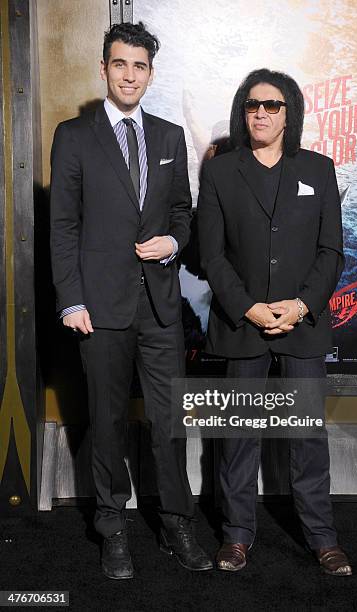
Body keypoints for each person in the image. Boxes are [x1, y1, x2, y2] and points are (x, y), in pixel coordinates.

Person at [50, 21, 212, 579]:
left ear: (150, 74)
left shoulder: (168, 136)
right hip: (98, 307)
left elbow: (182, 214)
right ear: (104, 69)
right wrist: (71, 299)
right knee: (107, 420)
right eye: (120, 64)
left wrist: (173, 241)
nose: (129, 75)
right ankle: (112, 527)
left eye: (139, 66)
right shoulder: (74, 136)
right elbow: (63, 224)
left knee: (170, 422)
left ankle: (175, 523)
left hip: (160, 306)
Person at [197, 68, 352, 576]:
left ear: (290, 113)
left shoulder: (319, 168)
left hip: (302, 325)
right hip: (244, 326)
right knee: (239, 435)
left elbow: (331, 252)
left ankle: (322, 537)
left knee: (307, 436)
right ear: (244, 111)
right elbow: (212, 256)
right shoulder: (220, 171)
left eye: (273, 105)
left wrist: (301, 305)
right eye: (253, 105)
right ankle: (236, 535)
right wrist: (249, 308)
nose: (261, 113)